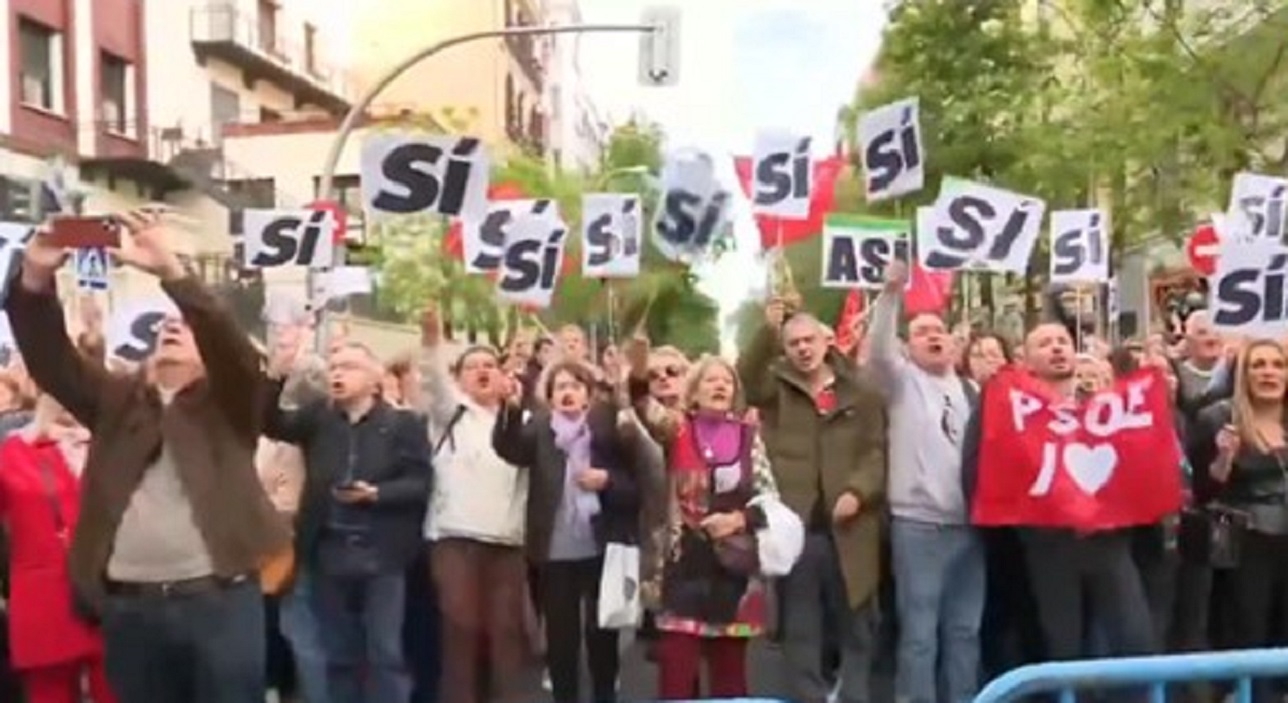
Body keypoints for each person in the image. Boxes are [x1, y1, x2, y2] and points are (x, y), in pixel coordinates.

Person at [5, 210, 291, 703]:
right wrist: (34, 275)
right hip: (131, 610)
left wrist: (172, 272)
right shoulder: (118, 401)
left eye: (185, 327)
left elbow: (234, 352)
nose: (172, 329)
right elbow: (49, 356)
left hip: (219, 603)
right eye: (164, 328)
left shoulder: (230, 404)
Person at [263, 334, 432, 703]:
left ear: (375, 379)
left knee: (384, 652)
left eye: (349, 367)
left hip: (382, 555)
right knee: (337, 653)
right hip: (328, 553)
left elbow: (420, 482)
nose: (337, 374)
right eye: (334, 367)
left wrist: (378, 494)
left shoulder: (403, 423)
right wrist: (276, 374)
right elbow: (270, 422)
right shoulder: (318, 417)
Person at [738, 296, 887, 703]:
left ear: (826, 342)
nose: (803, 349)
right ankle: (810, 699)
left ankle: (855, 697)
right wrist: (766, 330)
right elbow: (746, 378)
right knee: (802, 628)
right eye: (793, 343)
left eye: (809, 340)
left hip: (852, 529)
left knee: (857, 626)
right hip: (798, 528)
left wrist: (859, 491)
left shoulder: (860, 389)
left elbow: (876, 450)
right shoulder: (776, 389)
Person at [492, 359, 641, 703]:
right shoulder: (540, 430)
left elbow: (635, 486)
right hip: (555, 551)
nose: (568, 392)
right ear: (550, 397)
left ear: (588, 395)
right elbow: (509, 449)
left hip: (601, 546)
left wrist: (607, 480)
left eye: (575, 385)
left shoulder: (606, 430)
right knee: (561, 638)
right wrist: (511, 411)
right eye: (560, 387)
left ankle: (605, 693)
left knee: (601, 632)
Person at [0, 391, 115, 703]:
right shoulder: (20, 448)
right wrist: (37, 427)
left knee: (118, 687)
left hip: (113, 595)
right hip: (46, 601)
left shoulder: (113, 445)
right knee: (49, 691)